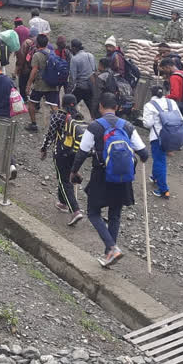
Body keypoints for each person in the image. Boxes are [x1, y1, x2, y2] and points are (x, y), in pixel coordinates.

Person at [70, 92, 149, 266]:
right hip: (123, 177)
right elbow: (144, 153)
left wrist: (74, 172)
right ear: (117, 108)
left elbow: (82, 153)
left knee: (93, 212)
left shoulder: (95, 126)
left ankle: (112, 248)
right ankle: (109, 253)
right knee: (115, 215)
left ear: (100, 107)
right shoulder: (127, 126)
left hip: (102, 175)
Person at [41, 94, 85, 226]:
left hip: (61, 152)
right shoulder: (79, 117)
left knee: (65, 180)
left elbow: (50, 134)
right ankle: (62, 203)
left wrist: (44, 148)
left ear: (62, 103)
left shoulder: (58, 116)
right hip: (75, 153)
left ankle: (75, 210)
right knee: (63, 176)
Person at [142, 86, 181, 199]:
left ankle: (164, 190)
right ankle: (155, 177)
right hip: (173, 135)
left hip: (158, 137)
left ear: (151, 94)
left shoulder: (149, 105)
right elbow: (180, 118)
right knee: (159, 159)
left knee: (160, 161)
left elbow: (148, 124)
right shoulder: (171, 102)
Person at [25, 34, 59, 132]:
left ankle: (34, 124)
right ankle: (60, 126)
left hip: (40, 84)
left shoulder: (37, 55)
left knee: (31, 103)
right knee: (53, 106)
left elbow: (34, 71)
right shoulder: (52, 53)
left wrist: (28, 84)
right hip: (52, 84)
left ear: (37, 44)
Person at [68, 39, 96, 115]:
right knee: (92, 110)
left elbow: (73, 77)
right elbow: (94, 70)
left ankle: (73, 119)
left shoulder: (75, 59)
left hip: (80, 88)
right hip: (91, 88)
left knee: (69, 106)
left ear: (74, 48)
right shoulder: (91, 55)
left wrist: (69, 91)